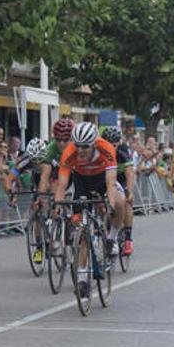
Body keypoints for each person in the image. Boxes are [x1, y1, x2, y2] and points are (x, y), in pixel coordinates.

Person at [53, 122, 126, 299]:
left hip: (102, 179)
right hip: (82, 181)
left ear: (94, 143)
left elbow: (110, 183)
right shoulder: (69, 152)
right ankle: (82, 279)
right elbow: (62, 186)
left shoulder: (106, 148)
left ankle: (112, 238)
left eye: (85, 146)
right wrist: (57, 205)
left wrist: (109, 202)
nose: (81, 150)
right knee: (83, 231)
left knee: (120, 202)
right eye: (77, 145)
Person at [4, 138, 48, 264]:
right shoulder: (25, 160)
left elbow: (51, 181)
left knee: (51, 200)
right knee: (37, 211)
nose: (36, 162)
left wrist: (44, 197)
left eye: (39, 159)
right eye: (34, 160)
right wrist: (11, 195)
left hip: (52, 177)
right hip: (37, 179)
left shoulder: (50, 159)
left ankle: (57, 226)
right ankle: (39, 247)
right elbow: (8, 179)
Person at [101, 126, 135, 257]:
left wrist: (130, 192)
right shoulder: (100, 150)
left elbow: (130, 173)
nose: (111, 147)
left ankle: (127, 239)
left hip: (121, 178)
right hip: (107, 177)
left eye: (113, 144)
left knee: (126, 202)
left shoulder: (123, 151)